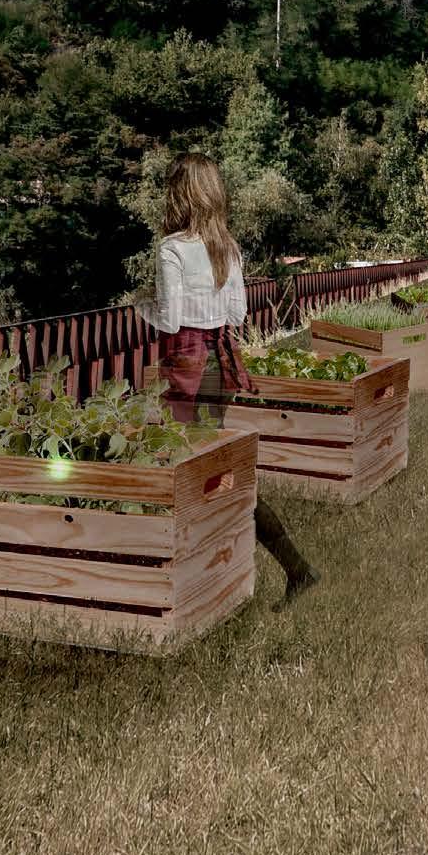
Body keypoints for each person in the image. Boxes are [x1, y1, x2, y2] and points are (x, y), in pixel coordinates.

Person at [142, 153, 314, 596]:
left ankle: (269, 572)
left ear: (180, 194)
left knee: (198, 470)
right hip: (220, 364)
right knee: (212, 469)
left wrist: (140, 307)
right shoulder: (228, 247)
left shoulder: (171, 249)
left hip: (187, 367)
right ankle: (283, 568)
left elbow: (170, 320)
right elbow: (237, 314)